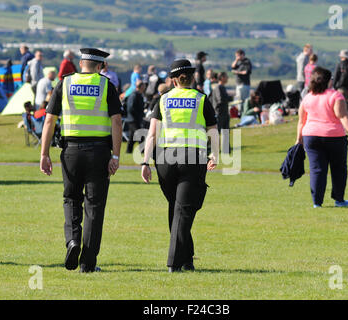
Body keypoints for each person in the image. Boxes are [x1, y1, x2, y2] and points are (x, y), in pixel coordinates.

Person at [40, 48, 123, 273]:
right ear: (100, 66)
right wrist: (116, 156)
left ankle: (73, 240)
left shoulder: (64, 84)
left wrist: (44, 154)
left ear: (80, 63)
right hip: (98, 153)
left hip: (71, 152)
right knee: (94, 207)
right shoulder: (106, 86)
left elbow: (49, 121)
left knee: (71, 199)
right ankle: (87, 263)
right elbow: (117, 122)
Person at [141, 59, 219, 272]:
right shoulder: (201, 99)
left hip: (165, 159)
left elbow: (152, 134)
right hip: (192, 158)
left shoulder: (163, 100)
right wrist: (216, 154)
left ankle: (187, 259)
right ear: (193, 78)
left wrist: (145, 161)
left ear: (173, 80)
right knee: (183, 211)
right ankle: (174, 263)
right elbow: (213, 129)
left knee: (177, 209)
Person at [296, 66, 348, 208]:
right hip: (334, 136)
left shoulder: (308, 97)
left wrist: (298, 138)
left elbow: (301, 121)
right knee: (338, 169)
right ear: (329, 80)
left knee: (317, 170)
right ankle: (339, 199)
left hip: (310, 136)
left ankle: (317, 201)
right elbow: (342, 116)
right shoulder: (335, 96)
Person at [211, 72, 231, 153]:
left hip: (224, 113)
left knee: (225, 132)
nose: (227, 78)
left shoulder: (222, 87)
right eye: (226, 76)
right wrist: (229, 99)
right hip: (219, 113)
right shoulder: (218, 87)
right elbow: (220, 100)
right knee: (217, 133)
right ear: (222, 77)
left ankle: (226, 150)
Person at [125, 80, 146, 153]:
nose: (145, 87)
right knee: (140, 134)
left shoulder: (139, 95)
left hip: (134, 119)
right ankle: (143, 150)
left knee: (132, 136)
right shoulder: (134, 95)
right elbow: (130, 108)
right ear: (140, 87)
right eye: (143, 86)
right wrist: (137, 115)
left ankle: (128, 151)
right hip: (133, 119)